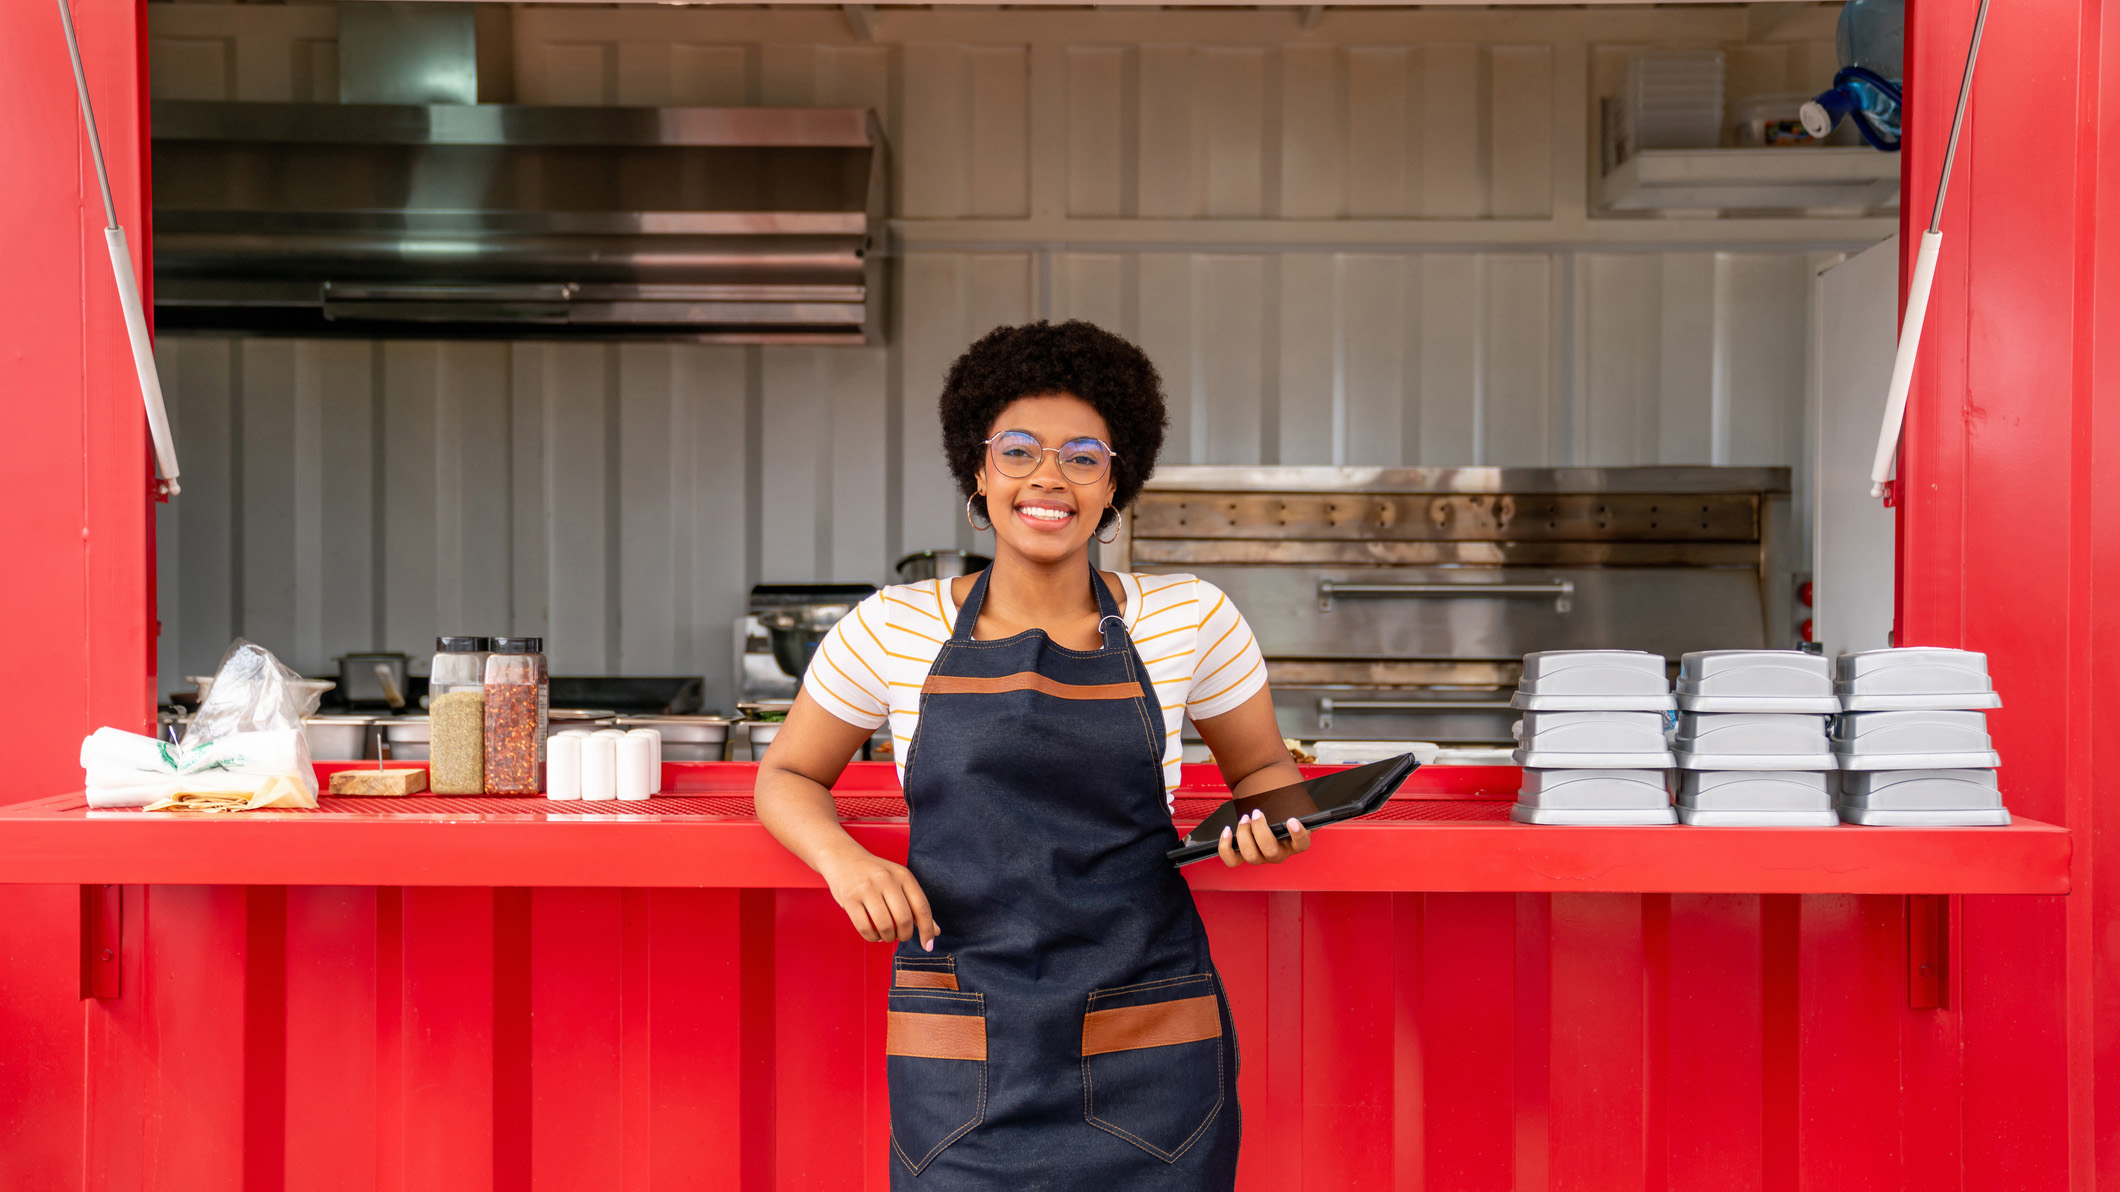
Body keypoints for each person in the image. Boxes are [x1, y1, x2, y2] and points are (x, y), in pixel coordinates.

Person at [755, 319, 1309, 1190]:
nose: (1048, 478)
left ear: (1114, 481)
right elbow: (787, 775)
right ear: (978, 471)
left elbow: (1267, 776)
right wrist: (845, 862)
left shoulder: (1192, 617)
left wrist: (1270, 824)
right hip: (964, 1038)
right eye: (1019, 450)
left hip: (1148, 1030)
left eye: (1083, 456)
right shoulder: (893, 626)